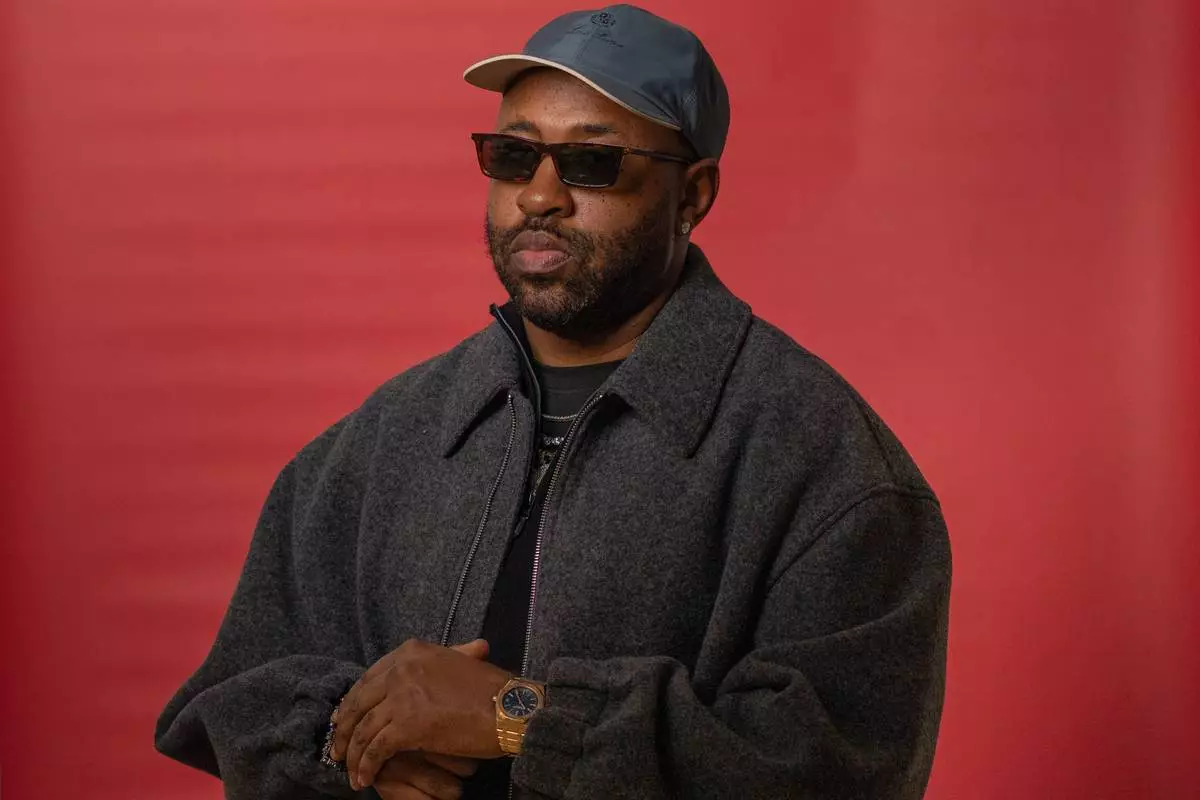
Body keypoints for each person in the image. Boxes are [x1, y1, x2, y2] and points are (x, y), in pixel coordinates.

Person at [155, 5, 951, 799]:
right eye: (513, 155)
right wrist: (351, 743)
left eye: (591, 163)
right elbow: (237, 702)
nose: (539, 196)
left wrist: (520, 719)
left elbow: (835, 769)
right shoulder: (378, 442)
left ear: (692, 194)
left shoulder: (829, 467)